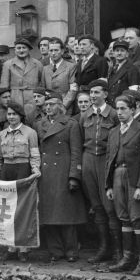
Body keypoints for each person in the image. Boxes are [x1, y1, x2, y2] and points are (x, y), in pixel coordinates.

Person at [106, 93, 140, 274]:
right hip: (118, 176)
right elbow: (109, 160)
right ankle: (127, 258)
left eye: (123, 109)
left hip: (134, 177)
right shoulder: (113, 132)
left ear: (133, 110)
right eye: (117, 109)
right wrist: (109, 185)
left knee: (137, 218)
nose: (119, 112)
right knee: (123, 217)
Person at [36, 92, 87, 261]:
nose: (48, 108)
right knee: (49, 216)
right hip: (46, 174)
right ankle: (55, 251)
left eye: (51, 104)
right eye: (46, 105)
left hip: (63, 173)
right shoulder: (40, 124)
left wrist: (74, 176)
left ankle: (71, 251)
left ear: (60, 106)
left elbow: (76, 152)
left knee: (67, 215)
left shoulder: (71, 124)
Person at [0, 101, 41, 262]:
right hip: (7, 170)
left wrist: (35, 170)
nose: (11, 117)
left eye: (14, 114)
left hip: (23, 169)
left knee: (23, 208)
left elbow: (34, 154)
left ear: (20, 116)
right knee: (8, 210)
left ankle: (24, 248)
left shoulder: (30, 133)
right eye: (9, 114)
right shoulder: (2, 134)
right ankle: (10, 248)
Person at [78, 79, 120, 264]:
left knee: (110, 207)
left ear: (105, 94)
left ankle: (119, 251)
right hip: (88, 159)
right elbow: (80, 140)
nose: (93, 96)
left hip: (106, 160)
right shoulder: (85, 116)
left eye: (96, 92)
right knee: (96, 206)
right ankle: (103, 249)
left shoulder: (114, 114)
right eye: (91, 93)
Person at [0, 37, 43, 119]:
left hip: (33, 98)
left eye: (24, 48)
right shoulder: (8, 64)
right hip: (15, 97)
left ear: (29, 49)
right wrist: (7, 101)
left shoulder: (37, 64)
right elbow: (4, 87)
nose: (21, 50)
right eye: (18, 48)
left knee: (33, 120)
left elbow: (42, 83)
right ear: (15, 50)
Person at [41, 37, 78, 112]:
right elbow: (43, 89)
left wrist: (63, 106)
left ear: (62, 51)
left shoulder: (71, 66)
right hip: (49, 107)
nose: (53, 53)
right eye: (51, 50)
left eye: (56, 50)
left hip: (65, 107)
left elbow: (73, 90)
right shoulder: (45, 69)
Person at [106, 38, 140, 107]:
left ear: (127, 53)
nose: (119, 53)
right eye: (117, 50)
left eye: (122, 51)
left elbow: (135, 93)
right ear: (113, 53)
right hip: (112, 106)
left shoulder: (132, 69)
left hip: (125, 106)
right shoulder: (112, 68)